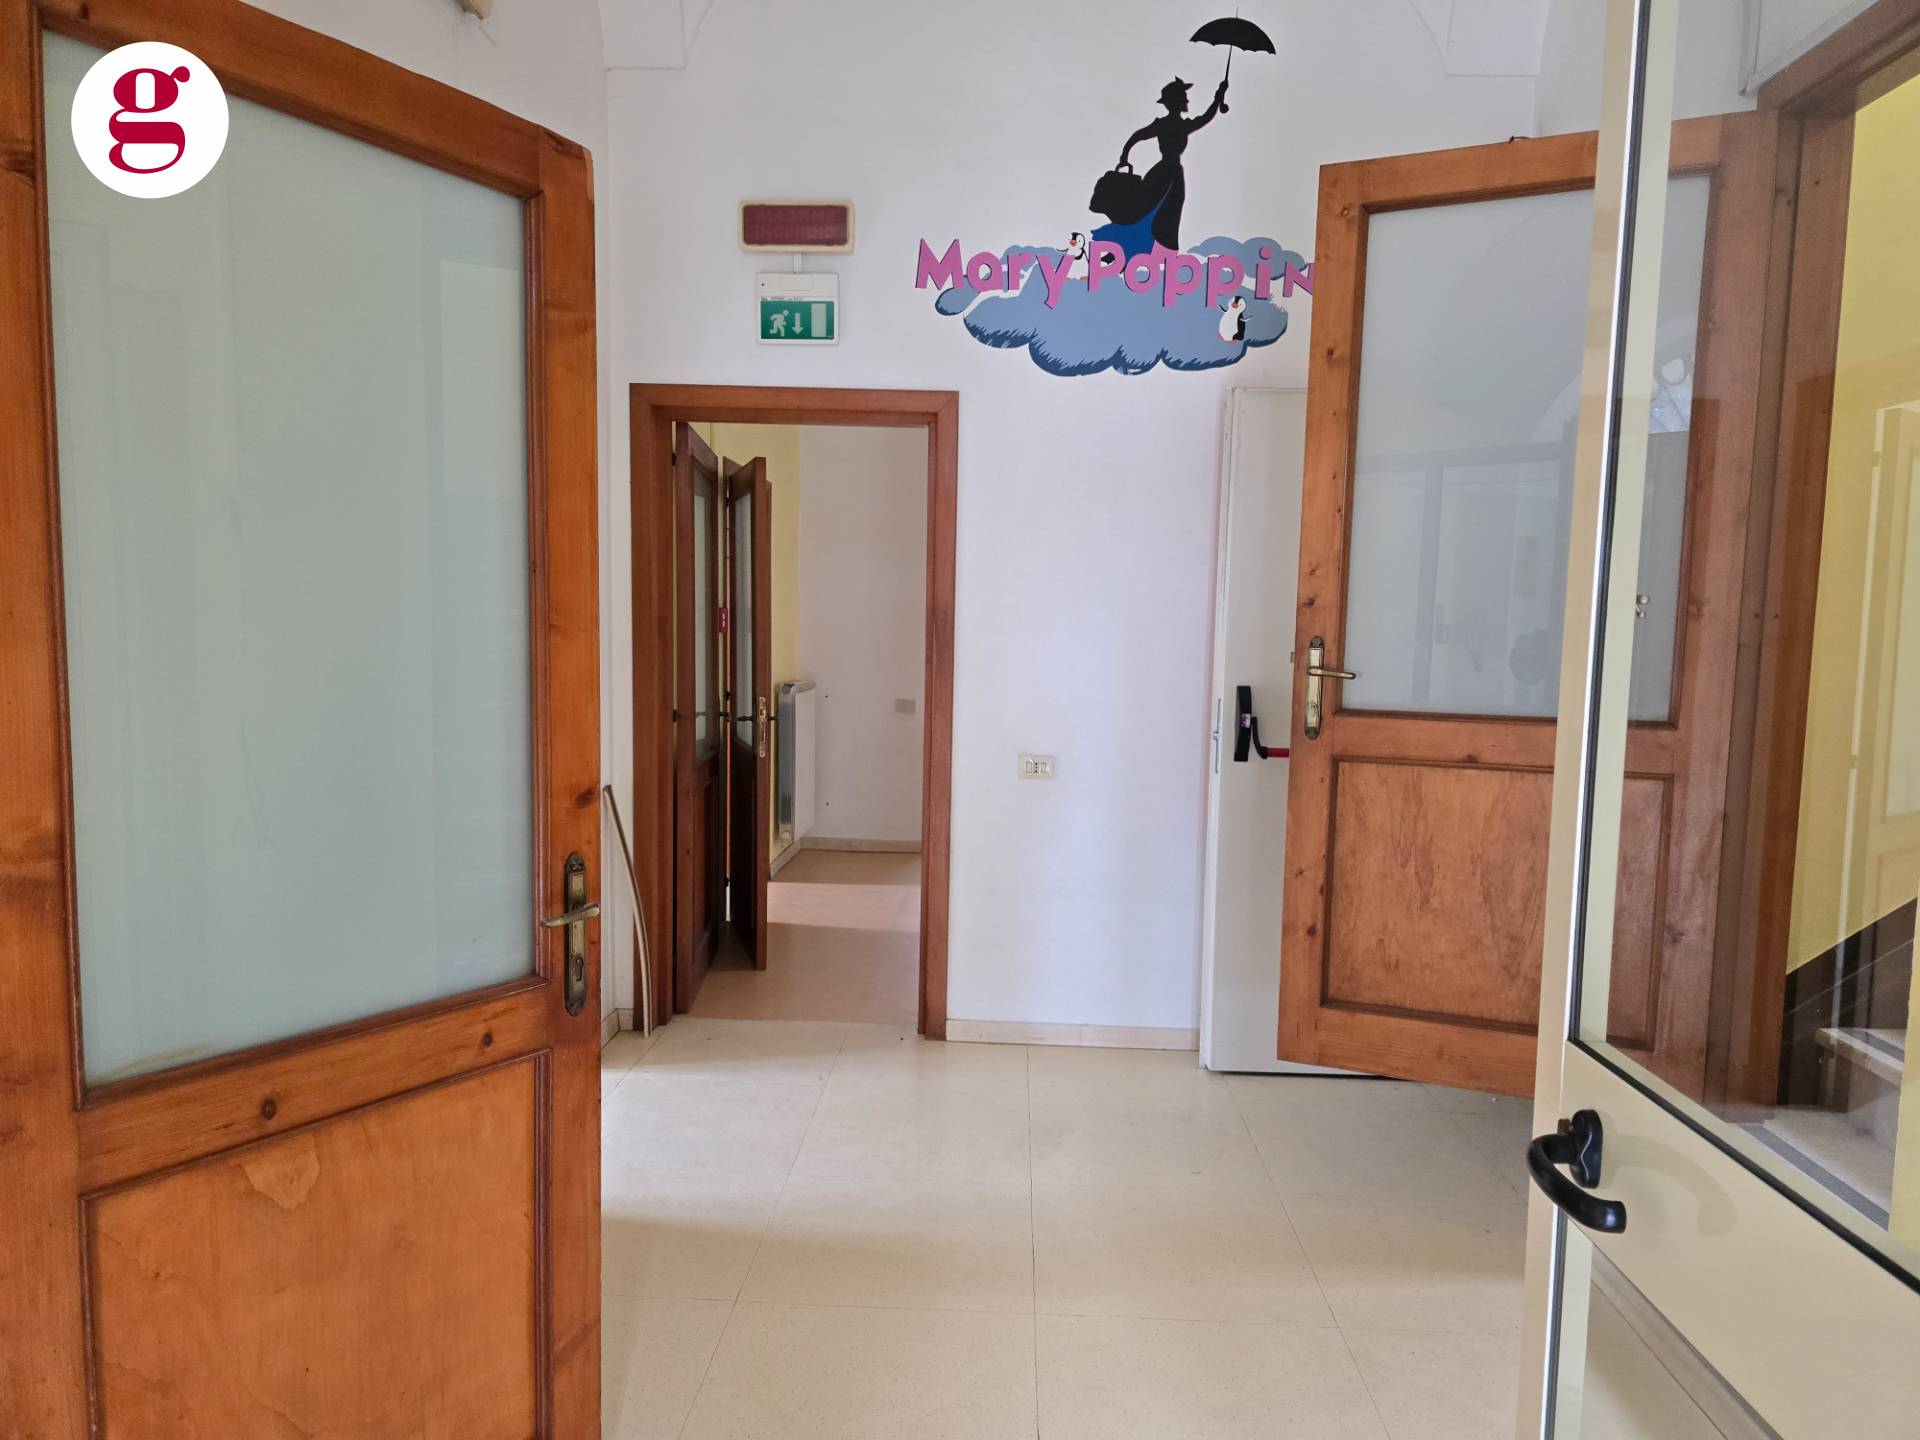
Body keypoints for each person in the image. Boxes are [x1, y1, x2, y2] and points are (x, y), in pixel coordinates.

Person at [1092, 76, 1228, 258]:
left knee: (1165, 211)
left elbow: (1205, 118)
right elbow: (1139, 135)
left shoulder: (1176, 125)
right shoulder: (1171, 125)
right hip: (1165, 174)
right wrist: (1125, 153)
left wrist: (1219, 96)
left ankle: (1158, 250)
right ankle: (1134, 248)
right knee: (1155, 210)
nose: (1187, 101)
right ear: (1175, 102)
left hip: (1169, 173)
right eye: (1183, 97)